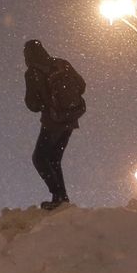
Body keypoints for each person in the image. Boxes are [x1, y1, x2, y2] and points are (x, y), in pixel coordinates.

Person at [23, 39, 85, 210]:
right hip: (70, 119)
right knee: (54, 159)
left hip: (53, 121)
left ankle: (58, 196)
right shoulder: (61, 64)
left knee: (40, 159)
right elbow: (82, 85)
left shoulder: (33, 72)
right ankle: (61, 197)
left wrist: (47, 104)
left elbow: (32, 104)